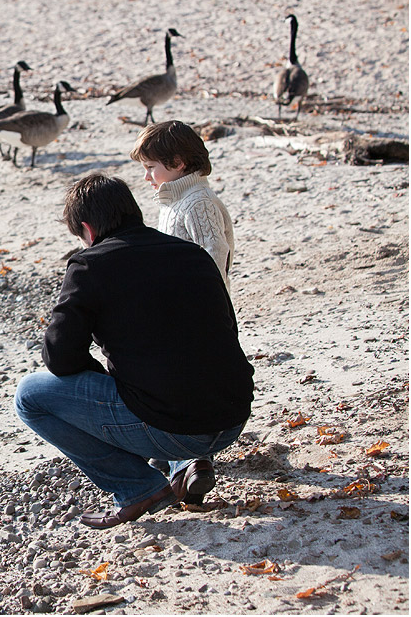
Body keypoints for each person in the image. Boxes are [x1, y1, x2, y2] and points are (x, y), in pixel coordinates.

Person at [14, 173, 253, 529]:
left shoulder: (90, 265)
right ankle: (187, 463)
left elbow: (59, 358)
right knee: (170, 371)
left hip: (176, 427)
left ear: (87, 230)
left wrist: (103, 376)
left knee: (30, 396)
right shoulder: (193, 254)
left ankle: (136, 487)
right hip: (232, 417)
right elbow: (221, 336)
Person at [130, 120, 234, 287]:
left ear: (178, 163)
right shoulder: (173, 200)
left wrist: (210, 299)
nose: (146, 176)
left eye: (150, 167)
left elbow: (215, 253)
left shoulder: (199, 203)